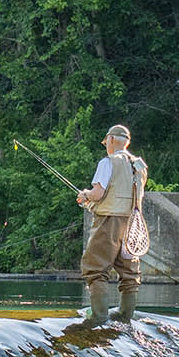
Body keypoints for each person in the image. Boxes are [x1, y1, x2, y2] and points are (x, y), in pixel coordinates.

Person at [76, 123, 147, 326]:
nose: (106, 144)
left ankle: (99, 317)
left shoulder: (108, 162)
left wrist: (85, 195)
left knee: (95, 268)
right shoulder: (139, 165)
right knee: (129, 273)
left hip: (109, 221)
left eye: (106, 141)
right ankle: (125, 315)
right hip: (134, 224)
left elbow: (97, 194)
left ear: (112, 139)